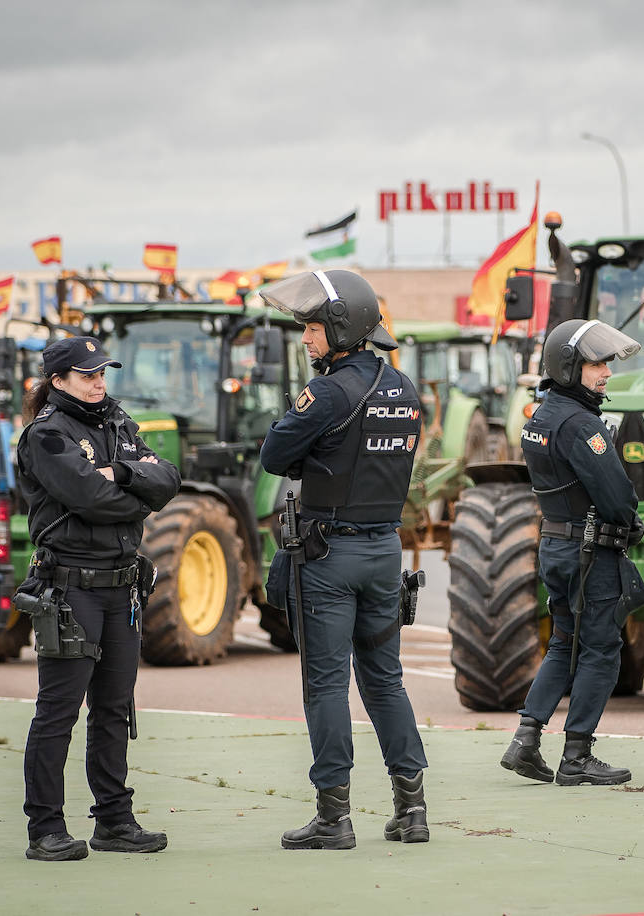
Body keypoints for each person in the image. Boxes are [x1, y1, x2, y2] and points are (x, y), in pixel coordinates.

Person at [258, 269, 428, 850]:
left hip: (328, 555)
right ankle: (413, 809)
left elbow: (274, 455)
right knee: (386, 681)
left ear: (340, 326)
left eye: (311, 327)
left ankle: (333, 817)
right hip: (384, 552)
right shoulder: (404, 388)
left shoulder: (328, 392)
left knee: (326, 684)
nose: (305, 339)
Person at [17, 336, 180, 861]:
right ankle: (45, 828)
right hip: (70, 589)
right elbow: (89, 497)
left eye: (102, 373)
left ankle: (114, 821)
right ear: (58, 381)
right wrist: (133, 494)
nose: (98, 383)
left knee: (114, 708)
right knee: (58, 710)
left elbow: (169, 478)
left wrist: (125, 474)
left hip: (121, 588)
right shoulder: (47, 435)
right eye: (87, 375)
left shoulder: (117, 422)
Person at [500, 318, 644, 787]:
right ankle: (577, 755)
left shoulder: (540, 417)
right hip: (590, 554)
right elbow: (618, 497)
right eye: (595, 363)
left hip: (555, 547)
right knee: (601, 650)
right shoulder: (583, 425)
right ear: (569, 367)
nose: (605, 373)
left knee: (564, 641)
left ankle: (526, 738)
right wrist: (630, 522)